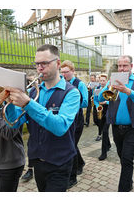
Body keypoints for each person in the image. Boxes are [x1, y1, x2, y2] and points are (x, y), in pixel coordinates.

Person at [4, 44, 80, 192]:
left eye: (44, 63)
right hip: (38, 160)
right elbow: (14, 124)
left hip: (60, 162)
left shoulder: (72, 93)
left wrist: (27, 103)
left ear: (57, 63)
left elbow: (60, 127)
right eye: (37, 64)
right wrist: (10, 104)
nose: (39, 68)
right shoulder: (33, 92)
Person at [99, 55, 134, 192]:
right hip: (116, 128)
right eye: (119, 66)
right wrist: (109, 86)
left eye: (125, 66)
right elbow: (100, 98)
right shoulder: (113, 81)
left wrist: (128, 91)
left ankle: (123, 190)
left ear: (131, 66)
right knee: (123, 158)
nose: (121, 69)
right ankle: (129, 180)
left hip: (133, 128)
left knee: (127, 159)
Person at [60, 60, 88, 189]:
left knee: (71, 146)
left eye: (66, 72)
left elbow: (85, 103)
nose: (64, 74)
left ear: (73, 71)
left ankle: (73, 177)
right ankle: (80, 162)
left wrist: (70, 103)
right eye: (62, 72)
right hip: (66, 120)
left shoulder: (79, 84)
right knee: (71, 145)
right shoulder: (60, 83)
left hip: (77, 120)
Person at [93, 74, 111, 160]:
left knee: (104, 131)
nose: (102, 82)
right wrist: (97, 106)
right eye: (101, 81)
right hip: (101, 110)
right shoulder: (97, 89)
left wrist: (106, 103)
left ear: (107, 81)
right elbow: (95, 100)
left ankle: (104, 153)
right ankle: (108, 144)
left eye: (104, 81)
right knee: (101, 127)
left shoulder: (110, 89)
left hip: (108, 110)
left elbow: (113, 100)